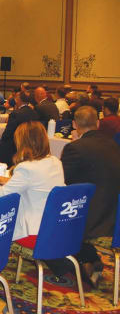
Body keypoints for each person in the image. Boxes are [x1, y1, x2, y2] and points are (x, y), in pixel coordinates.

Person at [59, 105, 120, 285]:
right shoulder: (113, 144)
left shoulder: (75, 148)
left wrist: (74, 142)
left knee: (54, 212)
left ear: (75, 124)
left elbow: (62, 182)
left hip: (91, 218)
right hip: (113, 214)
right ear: (98, 123)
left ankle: (82, 260)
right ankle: (90, 257)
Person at [0, 121, 65, 241]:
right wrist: (11, 182)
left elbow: (1, 196)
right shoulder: (56, 162)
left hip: (32, 231)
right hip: (55, 224)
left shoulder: (27, 168)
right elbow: (38, 186)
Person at [0, 90, 39, 167]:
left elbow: (7, 134)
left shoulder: (15, 114)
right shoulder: (34, 112)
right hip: (29, 144)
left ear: (19, 100)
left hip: (14, 146)